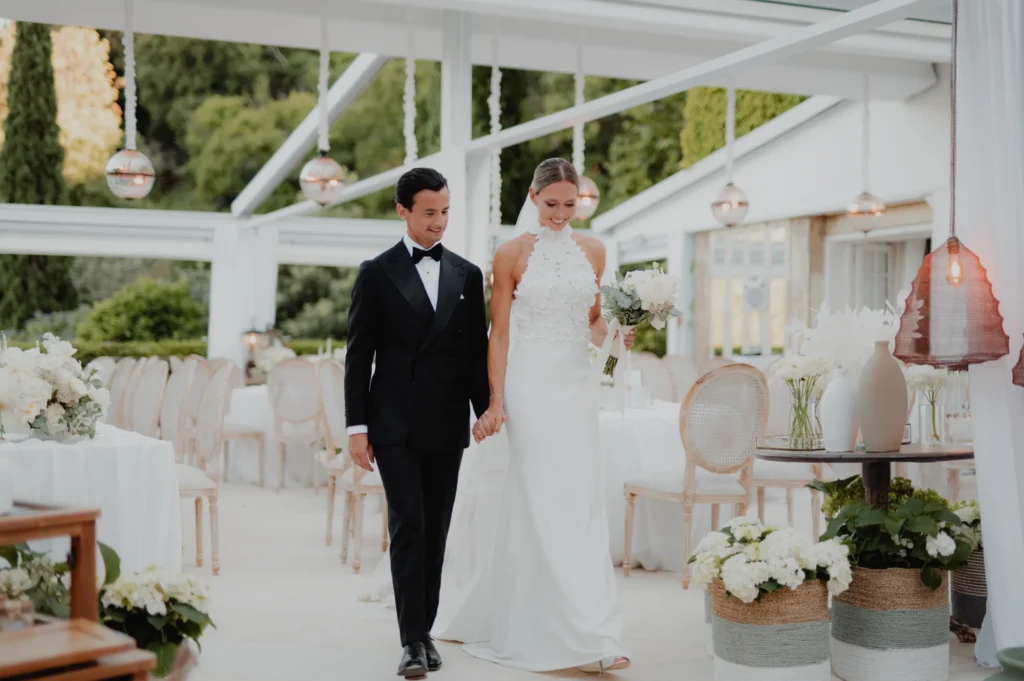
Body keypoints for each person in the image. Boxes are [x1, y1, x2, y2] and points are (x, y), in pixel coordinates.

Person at [443, 158, 633, 673]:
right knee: (542, 499)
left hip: (575, 388)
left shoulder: (594, 250)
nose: (561, 213)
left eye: (570, 204)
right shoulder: (510, 254)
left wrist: (618, 336)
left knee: (580, 501)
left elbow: (591, 322)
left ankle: (595, 629)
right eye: (552, 204)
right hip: (528, 386)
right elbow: (499, 334)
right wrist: (495, 400)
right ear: (532, 197)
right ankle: (562, 629)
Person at [344, 167, 490, 678]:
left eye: (445, 212)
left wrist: (487, 409)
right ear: (402, 210)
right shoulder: (375, 272)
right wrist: (356, 428)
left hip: (446, 422)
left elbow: (475, 355)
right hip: (394, 424)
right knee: (409, 526)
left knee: (437, 530)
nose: (439, 222)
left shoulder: (468, 274)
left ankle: (424, 631)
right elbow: (358, 356)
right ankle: (411, 641)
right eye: (429, 212)